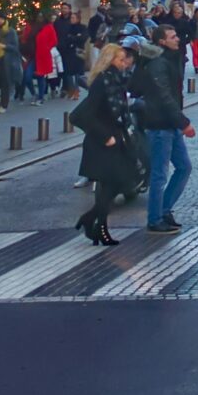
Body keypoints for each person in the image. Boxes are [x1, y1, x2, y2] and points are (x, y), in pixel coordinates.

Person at [73, 42, 136, 244]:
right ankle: (98, 227)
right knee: (110, 185)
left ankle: (91, 221)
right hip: (102, 143)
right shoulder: (103, 81)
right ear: (109, 61)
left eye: (124, 59)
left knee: (118, 183)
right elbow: (80, 115)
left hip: (116, 138)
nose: (124, 63)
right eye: (119, 59)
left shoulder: (117, 80)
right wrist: (104, 136)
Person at [134, 27, 193, 235]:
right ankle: (155, 218)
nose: (178, 39)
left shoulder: (169, 58)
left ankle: (164, 209)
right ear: (161, 41)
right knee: (159, 175)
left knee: (184, 167)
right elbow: (164, 96)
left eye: (177, 35)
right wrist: (183, 122)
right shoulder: (158, 64)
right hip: (160, 126)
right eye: (173, 37)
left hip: (170, 124)